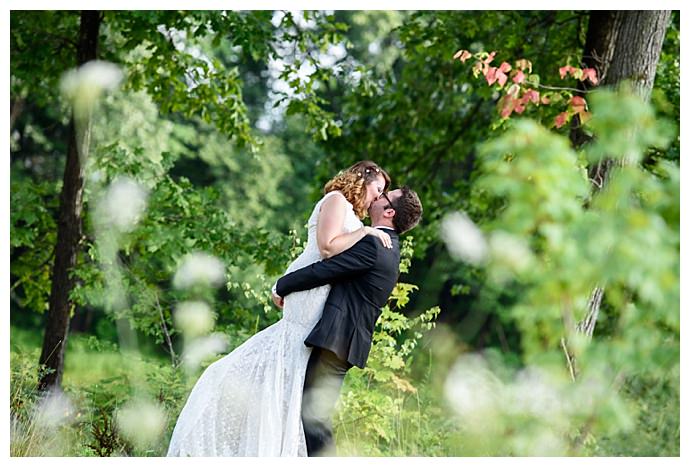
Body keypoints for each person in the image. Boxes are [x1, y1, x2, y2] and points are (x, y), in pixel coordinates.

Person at [166, 161, 393, 456]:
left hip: (321, 292)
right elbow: (326, 248)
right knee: (289, 359)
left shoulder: (351, 214)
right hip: (308, 289)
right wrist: (365, 233)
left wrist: (365, 232)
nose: (377, 198)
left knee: (295, 372)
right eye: (378, 189)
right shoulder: (336, 200)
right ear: (362, 179)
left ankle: (278, 445)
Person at [273, 185, 423, 456]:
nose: (377, 197)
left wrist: (281, 285)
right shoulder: (385, 244)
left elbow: (326, 270)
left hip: (337, 340)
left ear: (389, 211)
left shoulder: (376, 244)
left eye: (384, 196)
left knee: (314, 418)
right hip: (341, 342)